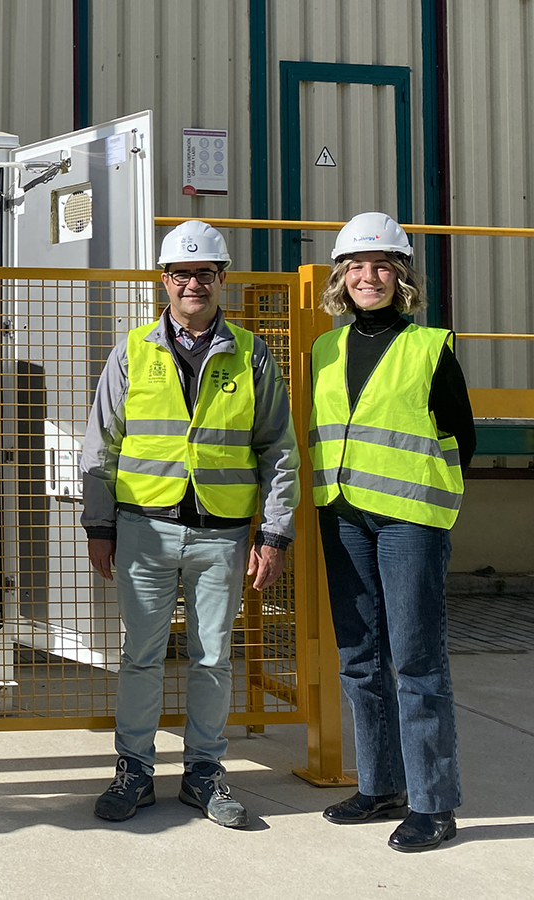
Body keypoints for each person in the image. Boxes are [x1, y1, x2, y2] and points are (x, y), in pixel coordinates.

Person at [80, 220, 299, 828]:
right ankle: (135, 771)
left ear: (221, 279)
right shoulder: (133, 351)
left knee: (212, 659)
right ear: (164, 281)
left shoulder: (252, 354)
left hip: (221, 533)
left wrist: (275, 533)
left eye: (205, 274)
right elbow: (101, 445)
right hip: (144, 532)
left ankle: (204, 772)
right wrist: (100, 527)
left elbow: (278, 448)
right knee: (140, 657)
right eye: (182, 274)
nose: (193, 284)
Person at [310, 212, 473, 852]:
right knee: (358, 658)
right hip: (344, 512)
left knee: (416, 660)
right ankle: (380, 786)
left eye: (381, 266)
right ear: (341, 278)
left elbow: (464, 436)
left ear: (400, 276)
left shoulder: (429, 346)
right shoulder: (326, 348)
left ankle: (433, 803)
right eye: (356, 266)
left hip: (410, 521)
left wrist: (433, 504)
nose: (367, 277)